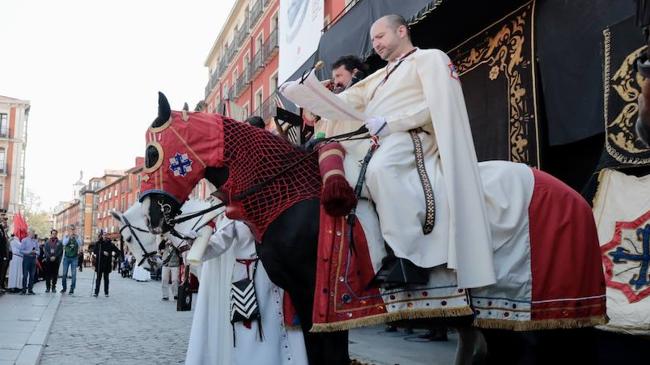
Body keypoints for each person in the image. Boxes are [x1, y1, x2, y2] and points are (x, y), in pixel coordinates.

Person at [323, 15, 495, 288]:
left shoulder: (429, 59)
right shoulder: (380, 76)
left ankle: (409, 257)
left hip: (410, 135)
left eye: (380, 37)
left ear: (402, 31)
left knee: (382, 170)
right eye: (372, 40)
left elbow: (439, 104)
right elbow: (347, 100)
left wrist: (393, 123)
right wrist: (312, 98)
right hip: (378, 140)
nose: (375, 44)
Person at [185, 216, 308, 365]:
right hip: (246, 279)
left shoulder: (277, 207)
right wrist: (196, 243)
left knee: (276, 328)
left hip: (274, 278)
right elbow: (216, 246)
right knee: (249, 332)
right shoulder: (234, 212)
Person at [93, 231, 120, 297]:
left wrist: (114, 257)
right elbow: (95, 251)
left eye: (106, 235)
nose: (105, 236)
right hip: (99, 264)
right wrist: (102, 252)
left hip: (107, 264)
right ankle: (96, 292)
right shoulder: (98, 243)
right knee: (98, 279)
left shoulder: (111, 244)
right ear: (102, 236)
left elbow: (118, 252)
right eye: (104, 235)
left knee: (106, 279)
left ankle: (106, 292)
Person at [61, 225, 81, 295]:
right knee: (64, 274)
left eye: (73, 229)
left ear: (75, 230)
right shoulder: (66, 236)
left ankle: (72, 288)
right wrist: (69, 237)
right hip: (66, 257)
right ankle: (64, 288)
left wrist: (76, 238)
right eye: (71, 229)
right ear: (69, 230)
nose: (72, 231)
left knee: (74, 274)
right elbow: (64, 243)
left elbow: (80, 244)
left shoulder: (77, 237)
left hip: (74, 258)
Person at [19, 228, 39, 295]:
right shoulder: (24, 240)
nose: (33, 234)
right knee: (25, 275)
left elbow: (38, 251)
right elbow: (21, 250)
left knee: (32, 275)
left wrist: (35, 252)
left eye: (34, 232)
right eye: (32, 232)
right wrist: (29, 252)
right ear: (28, 233)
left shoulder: (35, 241)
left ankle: (30, 290)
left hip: (33, 259)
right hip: (26, 259)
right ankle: (24, 290)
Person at [0, 218, 9, 294]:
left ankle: (1, 286)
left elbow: (5, 245)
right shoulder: (2, 232)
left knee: (3, 272)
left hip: (4, 256)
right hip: (2, 255)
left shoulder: (4, 233)